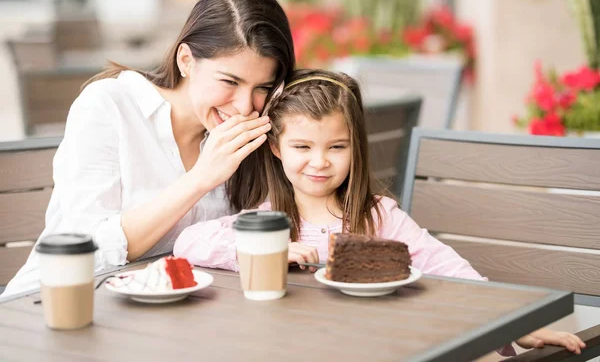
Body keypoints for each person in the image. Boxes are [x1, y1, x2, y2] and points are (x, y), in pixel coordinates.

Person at [174, 69, 586, 355]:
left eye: (336, 147)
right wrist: (262, 251)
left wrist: (518, 326)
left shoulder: (379, 217)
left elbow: (452, 270)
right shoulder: (268, 222)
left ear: (355, 147)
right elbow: (188, 243)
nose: (319, 162)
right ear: (277, 147)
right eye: (302, 147)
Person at [2, 0, 294, 298]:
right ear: (186, 60)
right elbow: (85, 248)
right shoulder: (109, 105)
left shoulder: (252, 133)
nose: (244, 106)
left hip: (173, 319)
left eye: (262, 87)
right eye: (229, 81)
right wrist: (200, 179)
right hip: (52, 304)